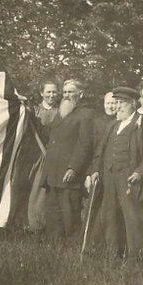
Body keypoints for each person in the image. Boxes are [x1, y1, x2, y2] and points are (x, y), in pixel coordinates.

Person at [87, 87, 143, 257]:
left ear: (133, 104)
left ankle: (137, 257)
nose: (117, 107)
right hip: (109, 178)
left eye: (121, 103)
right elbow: (100, 151)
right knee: (109, 215)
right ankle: (113, 255)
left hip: (130, 178)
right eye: (116, 102)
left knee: (133, 217)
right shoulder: (112, 125)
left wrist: (140, 172)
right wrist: (95, 170)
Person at [41, 79, 96, 239]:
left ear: (81, 94)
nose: (66, 95)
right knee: (53, 213)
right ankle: (54, 246)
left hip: (69, 173)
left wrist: (73, 168)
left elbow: (84, 145)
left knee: (69, 214)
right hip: (53, 173)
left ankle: (70, 249)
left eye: (71, 92)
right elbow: (47, 135)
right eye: (64, 92)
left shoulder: (86, 114)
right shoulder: (61, 113)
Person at [9, 79, 60, 231]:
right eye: (48, 92)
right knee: (20, 186)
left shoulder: (61, 112)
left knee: (39, 192)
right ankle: (14, 223)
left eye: (54, 92)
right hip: (29, 156)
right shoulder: (33, 110)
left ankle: (34, 226)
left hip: (48, 157)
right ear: (41, 93)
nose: (51, 95)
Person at [84, 91, 119, 247]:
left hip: (111, 171)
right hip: (96, 170)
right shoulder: (97, 122)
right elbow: (90, 150)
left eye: (113, 103)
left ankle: (105, 244)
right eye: (108, 103)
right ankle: (88, 242)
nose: (110, 106)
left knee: (110, 209)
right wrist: (89, 173)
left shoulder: (120, 122)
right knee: (92, 206)